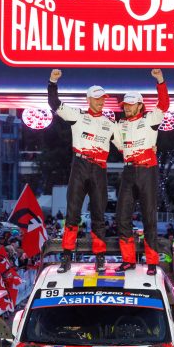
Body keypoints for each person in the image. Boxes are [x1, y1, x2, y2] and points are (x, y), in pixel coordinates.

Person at [48, 69, 117, 272]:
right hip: (80, 166)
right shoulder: (77, 115)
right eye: (97, 98)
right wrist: (53, 82)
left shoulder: (110, 124)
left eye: (103, 98)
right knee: (72, 214)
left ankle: (100, 258)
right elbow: (54, 103)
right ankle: (66, 257)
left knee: (99, 215)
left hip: (99, 169)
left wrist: (151, 147)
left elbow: (126, 146)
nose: (101, 101)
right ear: (88, 99)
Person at [113, 69, 169, 275]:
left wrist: (160, 80)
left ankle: (152, 263)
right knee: (122, 217)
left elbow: (164, 104)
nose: (127, 108)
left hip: (147, 172)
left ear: (140, 105)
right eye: (125, 105)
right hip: (128, 172)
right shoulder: (119, 125)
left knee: (149, 218)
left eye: (131, 104)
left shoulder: (150, 119)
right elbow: (119, 147)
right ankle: (128, 260)